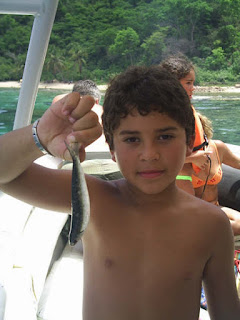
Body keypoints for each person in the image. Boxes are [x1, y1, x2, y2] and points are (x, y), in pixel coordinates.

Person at [0, 66, 240, 319]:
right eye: (132, 140)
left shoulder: (212, 225)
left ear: (188, 140)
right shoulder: (95, 199)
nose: (150, 154)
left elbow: (226, 312)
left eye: (165, 136)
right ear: (112, 148)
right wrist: (39, 135)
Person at [160, 54, 210, 195]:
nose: (192, 88)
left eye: (193, 83)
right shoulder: (165, 114)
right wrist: (194, 158)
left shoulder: (185, 109)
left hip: (192, 173)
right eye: (188, 83)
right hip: (179, 176)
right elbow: (161, 156)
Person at [193, 112, 240, 236]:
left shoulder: (217, 148)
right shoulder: (181, 157)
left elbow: (238, 163)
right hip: (192, 214)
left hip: (215, 207)